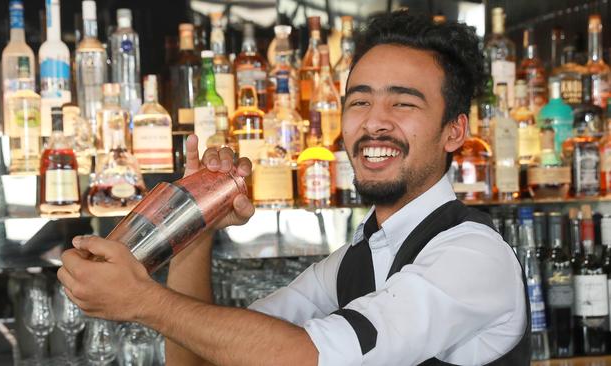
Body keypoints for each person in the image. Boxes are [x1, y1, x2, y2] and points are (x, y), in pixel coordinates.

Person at [58, 10, 529, 366]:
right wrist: (196, 228)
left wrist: (144, 301)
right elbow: (201, 357)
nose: (374, 122)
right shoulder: (352, 261)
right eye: (359, 101)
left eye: (404, 103)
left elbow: (312, 357)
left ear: (454, 131)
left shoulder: (473, 256)